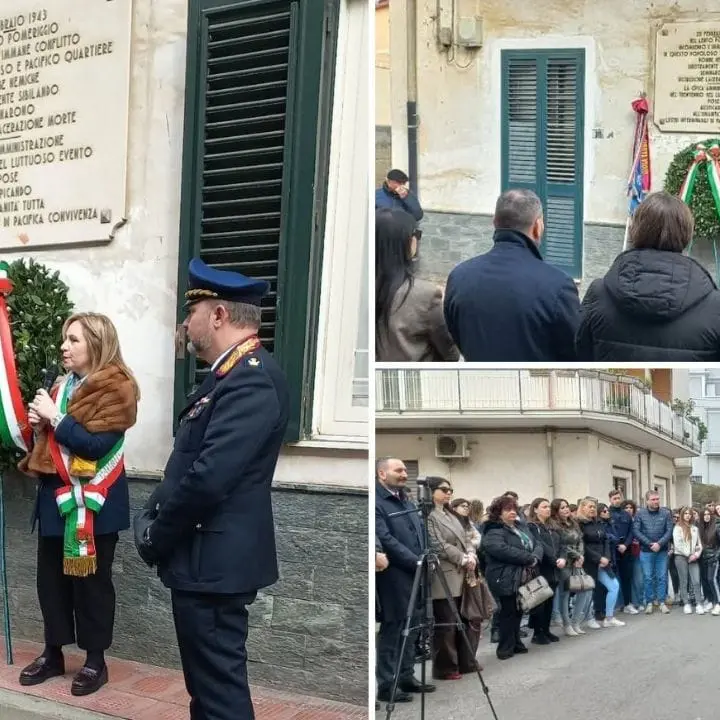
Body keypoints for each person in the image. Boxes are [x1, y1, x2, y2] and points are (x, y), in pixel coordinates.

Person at [133, 259, 289, 720]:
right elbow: (189, 467)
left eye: (192, 313)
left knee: (219, 694)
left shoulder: (251, 379)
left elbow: (208, 478)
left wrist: (157, 536)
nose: (186, 324)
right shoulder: (229, 375)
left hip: (214, 563)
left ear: (218, 316)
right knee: (207, 688)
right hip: (208, 560)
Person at [17, 313, 140, 696]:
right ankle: (53, 653)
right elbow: (53, 443)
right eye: (64, 340)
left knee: (92, 585)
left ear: (97, 345)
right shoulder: (61, 385)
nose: (63, 347)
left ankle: (94, 661)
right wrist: (40, 424)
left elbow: (95, 445)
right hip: (57, 498)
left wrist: (57, 418)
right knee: (50, 581)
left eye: (73, 340)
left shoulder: (118, 389)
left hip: (95, 503)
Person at [576, 191, 720, 360]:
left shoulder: (598, 294)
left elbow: (579, 352)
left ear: (635, 230)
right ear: (687, 235)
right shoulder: (714, 305)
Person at [443, 189, 580, 361]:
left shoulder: (459, 277)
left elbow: (457, 335)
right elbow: (575, 350)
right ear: (537, 227)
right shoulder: (558, 285)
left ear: (494, 223)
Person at [375, 458, 435, 703]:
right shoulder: (379, 502)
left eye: (404, 470)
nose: (403, 474)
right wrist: (415, 560)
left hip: (418, 573)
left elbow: (420, 532)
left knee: (413, 628)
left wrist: (428, 555)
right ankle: (388, 683)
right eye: (398, 470)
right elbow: (386, 538)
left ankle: (406, 676)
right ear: (382, 473)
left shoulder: (406, 500)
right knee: (395, 629)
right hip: (396, 575)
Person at [375, 208, 458, 361]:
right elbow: (450, 352)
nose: (418, 240)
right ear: (405, 241)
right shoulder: (425, 294)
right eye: (416, 234)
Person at [427, 480, 481, 679]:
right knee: (446, 623)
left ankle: (464, 661)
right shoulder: (429, 516)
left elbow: (467, 538)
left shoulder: (451, 514)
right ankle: (446, 667)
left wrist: (471, 554)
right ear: (431, 491)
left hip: (463, 572)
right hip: (444, 574)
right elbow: (437, 544)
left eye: (451, 490)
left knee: (465, 619)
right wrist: (462, 558)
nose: (448, 493)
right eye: (444, 489)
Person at [482, 494, 543, 660]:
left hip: (523, 574)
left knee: (518, 610)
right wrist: (528, 558)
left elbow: (537, 544)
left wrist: (535, 557)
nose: (512, 512)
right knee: (507, 612)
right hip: (504, 576)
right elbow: (499, 549)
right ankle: (504, 647)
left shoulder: (521, 526)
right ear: (498, 512)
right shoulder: (493, 529)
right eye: (507, 509)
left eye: (514, 509)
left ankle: (516, 642)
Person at [633, 490, 673, 615]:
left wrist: (659, 544)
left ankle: (661, 602)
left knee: (662, 577)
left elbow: (669, 530)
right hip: (646, 551)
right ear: (647, 501)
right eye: (653, 499)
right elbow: (636, 531)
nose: (656, 501)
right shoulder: (640, 514)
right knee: (648, 577)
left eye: (657, 499)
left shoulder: (666, 513)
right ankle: (649, 602)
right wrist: (650, 543)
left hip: (662, 551)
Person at [672, 506, 704, 614]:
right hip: (680, 557)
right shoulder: (677, 528)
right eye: (685, 513)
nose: (687, 515)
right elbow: (678, 545)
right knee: (684, 580)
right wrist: (688, 554)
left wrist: (696, 555)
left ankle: (699, 603)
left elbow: (699, 544)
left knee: (696, 580)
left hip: (693, 557)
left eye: (689, 514)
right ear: (682, 515)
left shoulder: (695, 528)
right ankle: (686, 603)